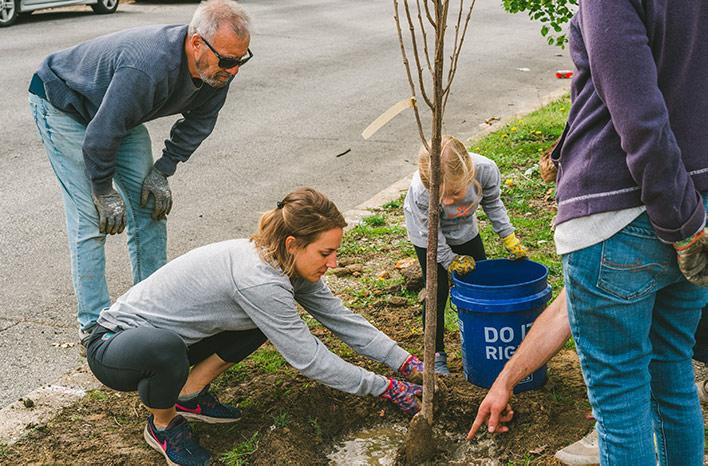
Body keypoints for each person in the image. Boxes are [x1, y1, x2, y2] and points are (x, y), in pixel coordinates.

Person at [85, 187, 425, 465]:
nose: (333, 263)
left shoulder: (286, 263)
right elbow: (309, 359)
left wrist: (406, 363)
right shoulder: (259, 281)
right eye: (325, 253)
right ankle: (163, 424)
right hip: (115, 347)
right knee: (168, 348)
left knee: (261, 323)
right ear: (294, 243)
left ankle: (188, 393)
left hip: (174, 341)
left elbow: (342, 319)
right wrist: (385, 387)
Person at [29, 0, 254, 348]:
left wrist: (162, 171)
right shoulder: (148, 65)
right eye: (227, 60)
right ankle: (94, 329)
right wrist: (102, 189)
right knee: (92, 218)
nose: (234, 70)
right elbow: (103, 132)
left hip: (116, 112)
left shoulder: (217, 70)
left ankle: (151, 312)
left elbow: (200, 123)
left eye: (241, 60)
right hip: (64, 103)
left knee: (151, 206)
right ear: (196, 43)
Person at [545, 2, 708, 464]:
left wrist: (683, 226)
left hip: (631, 214)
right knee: (672, 374)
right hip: (697, 200)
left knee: (621, 401)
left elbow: (640, 119)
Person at [403, 135, 528, 375]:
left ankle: (482, 340)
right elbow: (432, 234)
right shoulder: (421, 192)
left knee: (480, 282)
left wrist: (509, 237)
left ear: (469, 174)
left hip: (464, 228)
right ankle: (436, 354)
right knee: (437, 290)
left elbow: (493, 203)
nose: (448, 201)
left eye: (454, 193)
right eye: (441, 196)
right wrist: (449, 260)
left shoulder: (486, 171)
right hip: (426, 234)